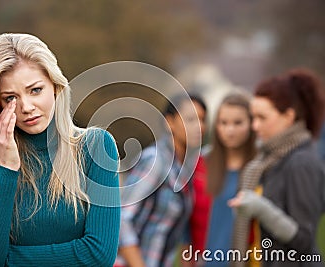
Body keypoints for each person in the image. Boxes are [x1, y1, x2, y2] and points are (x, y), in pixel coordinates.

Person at [0, 33, 120, 266]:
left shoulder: (95, 147)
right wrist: (7, 167)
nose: (26, 107)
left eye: (35, 90)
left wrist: (7, 262)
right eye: (10, 98)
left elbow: (98, 255)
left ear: (54, 85)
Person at [229, 68, 325, 267]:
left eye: (262, 118)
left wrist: (261, 209)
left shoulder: (302, 162)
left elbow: (304, 241)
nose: (254, 126)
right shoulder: (265, 161)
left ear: (288, 117)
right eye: (253, 117)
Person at [116, 93, 207, 267]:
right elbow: (122, 218)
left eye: (202, 120)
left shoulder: (185, 168)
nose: (199, 127)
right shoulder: (155, 161)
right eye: (190, 120)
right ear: (169, 122)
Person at [202, 93, 256, 266]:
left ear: (251, 124)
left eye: (237, 123)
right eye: (223, 123)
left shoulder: (260, 168)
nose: (229, 130)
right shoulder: (203, 164)